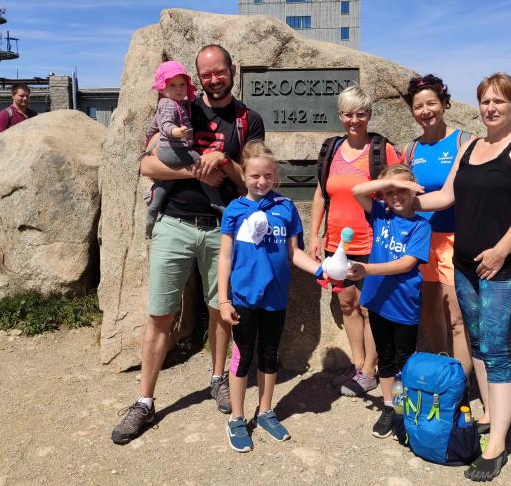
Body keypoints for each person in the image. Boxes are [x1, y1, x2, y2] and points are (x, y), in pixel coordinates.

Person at [111, 44, 265, 445]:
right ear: (197, 78)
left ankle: (217, 378)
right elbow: (146, 163)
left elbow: (253, 179)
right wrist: (197, 169)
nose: (214, 79)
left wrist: (223, 161)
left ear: (232, 70)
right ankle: (144, 400)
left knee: (220, 310)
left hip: (222, 229)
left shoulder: (248, 119)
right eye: (206, 74)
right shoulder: (179, 106)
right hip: (175, 224)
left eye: (220, 71)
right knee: (160, 314)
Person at [408, 73, 511, 481]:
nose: (491, 108)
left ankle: (497, 443)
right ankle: (488, 411)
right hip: (466, 265)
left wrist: (500, 251)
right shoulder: (470, 147)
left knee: (497, 350)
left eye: (499, 101)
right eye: (485, 101)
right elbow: (445, 196)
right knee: (479, 344)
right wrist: (402, 203)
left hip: (503, 269)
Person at [217, 140, 324, 453]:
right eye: (254, 176)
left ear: (275, 175)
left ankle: (265, 411)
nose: (261, 181)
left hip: (275, 297)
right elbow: (225, 257)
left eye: (267, 175)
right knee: (242, 356)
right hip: (243, 298)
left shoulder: (286, 208)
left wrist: (320, 270)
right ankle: (237, 417)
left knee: (269, 354)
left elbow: (294, 252)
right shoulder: (235, 210)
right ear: (244, 175)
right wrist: (223, 300)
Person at [309, 85, 399, 396]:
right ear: (340, 115)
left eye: (360, 114)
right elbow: (321, 194)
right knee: (347, 304)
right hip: (337, 244)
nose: (354, 120)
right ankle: (359, 365)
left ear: (369, 115)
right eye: (348, 114)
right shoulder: (331, 150)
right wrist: (314, 235)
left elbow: (399, 189)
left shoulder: (382, 150)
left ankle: (372, 369)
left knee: (370, 306)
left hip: (373, 243)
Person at [347, 164, 431, 439]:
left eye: (402, 190)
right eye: (390, 192)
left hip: (403, 305)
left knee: (403, 363)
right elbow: (357, 190)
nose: (396, 196)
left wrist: (368, 269)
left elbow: (406, 264)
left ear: (414, 191)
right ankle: (389, 406)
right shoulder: (381, 214)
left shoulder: (421, 226)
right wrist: (390, 184)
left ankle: (403, 409)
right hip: (378, 301)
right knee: (384, 358)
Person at [401, 75, 473, 375]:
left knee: (456, 315)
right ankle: (440, 372)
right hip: (422, 238)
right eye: (418, 106)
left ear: (443, 103)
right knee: (430, 311)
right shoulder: (411, 150)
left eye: (431, 103)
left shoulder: (463, 142)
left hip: (455, 239)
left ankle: (459, 381)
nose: (425, 111)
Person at [144, 60, 225, 238]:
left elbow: (154, 125)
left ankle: (153, 207)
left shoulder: (180, 103)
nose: (178, 89)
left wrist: (148, 139)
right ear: (162, 88)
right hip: (172, 148)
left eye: (182, 84)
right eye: (172, 85)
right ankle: (216, 202)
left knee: (168, 181)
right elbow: (165, 124)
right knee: (201, 162)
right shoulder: (167, 104)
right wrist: (176, 131)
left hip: (172, 149)